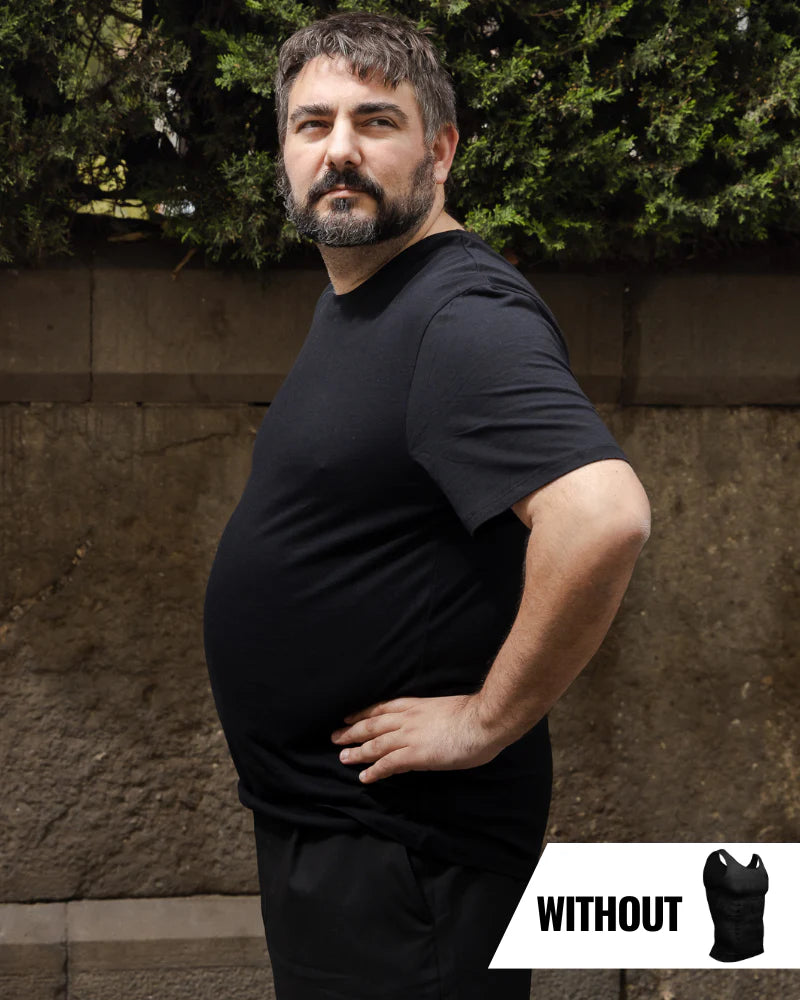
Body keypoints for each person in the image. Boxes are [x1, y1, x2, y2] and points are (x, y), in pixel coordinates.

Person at [203, 10, 651, 1000]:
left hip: (410, 871)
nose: (339, 150)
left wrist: (483, 722)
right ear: (284, 153)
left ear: (440, 151)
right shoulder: (370, 293)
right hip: (350, 850)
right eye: (312, 124)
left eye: (376, 121)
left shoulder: (457, 315)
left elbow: (601, 516)